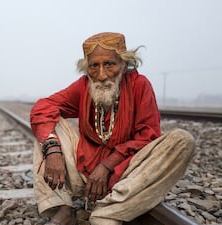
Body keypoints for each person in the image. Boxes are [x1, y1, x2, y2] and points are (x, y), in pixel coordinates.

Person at [30, 32, 196, 225]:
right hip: (84, 173)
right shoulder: (84, 86)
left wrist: (107, 165)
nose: (101, 75)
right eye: (94, 66)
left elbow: (148, 137)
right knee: (47, 128)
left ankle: (106, 214)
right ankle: (63, 208)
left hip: (126, 174)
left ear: (124, 64)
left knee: (183, 140)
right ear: (87, 68)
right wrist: (52, 151)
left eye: (109, 64)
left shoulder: (139, 85)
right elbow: (43, 107)